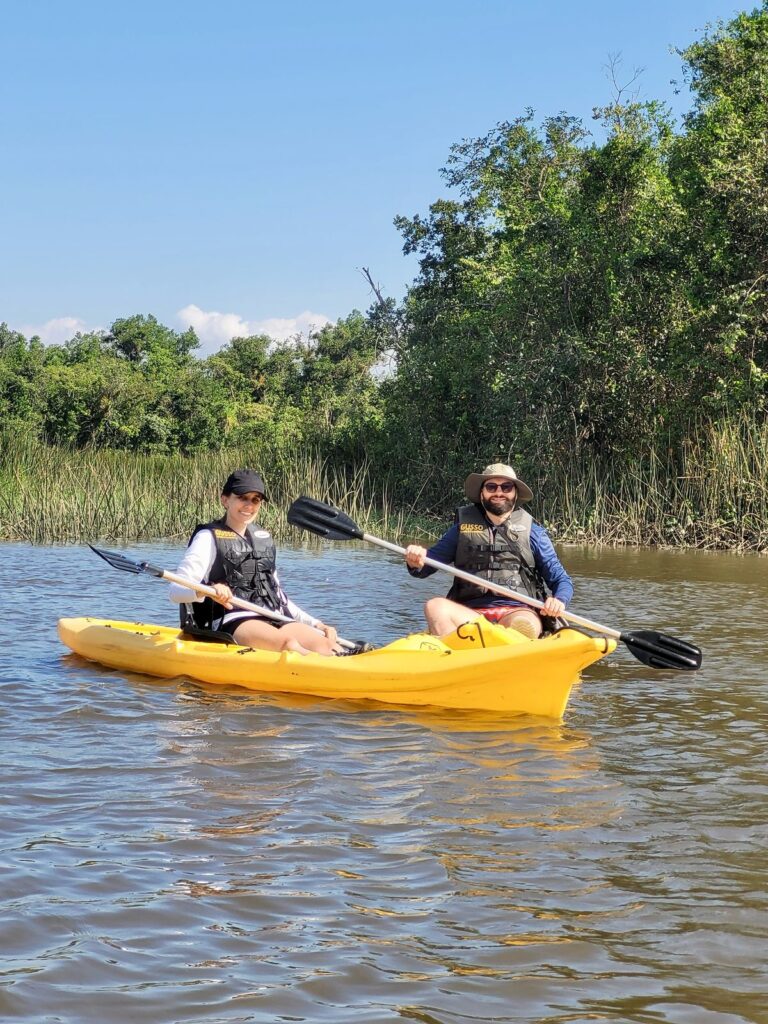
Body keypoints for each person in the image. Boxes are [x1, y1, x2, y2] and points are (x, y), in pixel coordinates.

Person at [169, 468, 347, 656]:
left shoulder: (263, 540)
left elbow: (279, 597)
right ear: (225, 500)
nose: (249, 505)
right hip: (232, 620)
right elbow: (175, 592)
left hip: (273, 617)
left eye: (255, 500)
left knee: (328, 646)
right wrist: (206, 591)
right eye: (242, 497)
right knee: (289, 644)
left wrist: (316, 624)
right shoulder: (207, 537)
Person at [404, 463, 573, 640]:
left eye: (506, 487)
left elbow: (561, 580)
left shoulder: (534, 533)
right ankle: (457, 655)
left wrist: (559, 600)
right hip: (469, 615)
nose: (498, 492)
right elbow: (425, 566)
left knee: (523, 624)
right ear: (481, 493)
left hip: (517, 611)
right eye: (491, 487)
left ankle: (510, 651)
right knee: (434, 606)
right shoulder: (461, 530)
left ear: (515, 494)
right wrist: (415, 559)